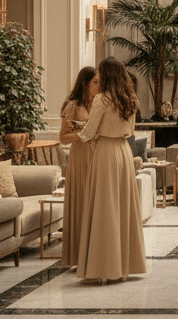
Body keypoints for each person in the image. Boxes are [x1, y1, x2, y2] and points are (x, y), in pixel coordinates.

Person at [76, 57, 147, 283]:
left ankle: (104, 267)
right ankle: (125, 265)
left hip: (106, 152)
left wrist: (78, 134)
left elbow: (90, 131)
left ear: (106, 75)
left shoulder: (101, 99)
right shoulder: (130, 98)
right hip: (124, 152)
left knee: (105, 210)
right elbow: (130, 129)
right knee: (123, 208)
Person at [58, 66, 98, 268]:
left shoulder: (101, 104)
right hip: (81, 158)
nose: (99, 87)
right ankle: (79, 256)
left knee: (97, 206)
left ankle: (96, 255)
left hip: (99, 157)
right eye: (95, 83)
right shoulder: (73, 106)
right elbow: (63, 138)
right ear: (85, 83)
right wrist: (83, 133)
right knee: (82, 203)